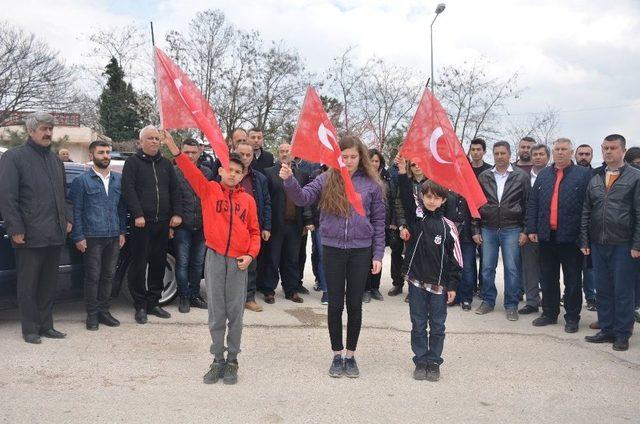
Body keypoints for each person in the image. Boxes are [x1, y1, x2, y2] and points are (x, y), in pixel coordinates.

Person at [281, 135, 385, 378]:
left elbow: (379, 221)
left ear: (361, 158)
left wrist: (378, 253)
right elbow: (302, 197)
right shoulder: (326, 178)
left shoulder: (372, 185)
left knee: (355, 305)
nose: (348, 161)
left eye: (353, 157)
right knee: (335, 304)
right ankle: (337, 354)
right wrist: (289, 181)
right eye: (344, 157)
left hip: (361, 250)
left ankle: (351, 355)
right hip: (333, 249)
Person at [163, 131, 261, 385]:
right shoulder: (209, 192)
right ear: (220, 171)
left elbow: (254, 232)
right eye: (229, 169)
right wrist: (175, 149)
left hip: (239, 262)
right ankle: (218, 359)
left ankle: (233, 360)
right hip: (216, 258)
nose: (233, 174)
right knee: (217, 313)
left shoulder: (248, 201)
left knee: (236, 314)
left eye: (238, 172)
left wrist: (251, 255)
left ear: (242, 175)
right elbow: (189, 170)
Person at [0, 112, 72, 344]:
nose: (48, 133)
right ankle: (30, 329)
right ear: (31, 131)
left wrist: (68, 218)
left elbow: (65, 195)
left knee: (49, 284)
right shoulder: (14, 157)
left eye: (51, 129)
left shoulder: (55, 161)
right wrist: (16, 228)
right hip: (29, 235)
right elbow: (7, 197)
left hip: (55, 233)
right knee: (28, 284)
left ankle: (46, 326)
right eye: (43, 128)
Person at [582, 134, 640, 352]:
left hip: (624, 244)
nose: (608, 152)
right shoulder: (596, 177)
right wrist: (585, 240)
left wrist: (637, 244)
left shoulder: (635, 177)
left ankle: (622, 333)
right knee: (603, 289)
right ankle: (606, 329)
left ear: (622, 151)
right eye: (605, 148)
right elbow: (587, 211)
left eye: (613, 148)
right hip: (598, 243)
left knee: (623, 290)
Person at [526, 139, 591, 332]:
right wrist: (532, 229)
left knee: (572, 279)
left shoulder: (583, 175)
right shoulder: (544, 174)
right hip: (547, 236)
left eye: (564, 149)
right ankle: (549, 313)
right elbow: (533, 204)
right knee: (547, 278)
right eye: (557, 149)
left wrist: (584, 236)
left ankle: (572, 317)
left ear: (571, 152)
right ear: (552, 152)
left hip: (571, 237)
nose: (560, 152)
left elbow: (588, 207)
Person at [401, 179, 462, 381]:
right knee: (418, 323)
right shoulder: (417, 220)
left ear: (443, 200)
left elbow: (456, 259)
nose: (432, 201)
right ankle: (420, 360)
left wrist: (452, 285)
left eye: (436, 198)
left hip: (439, 286)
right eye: (428, 196)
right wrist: (402, 172)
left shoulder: (449, 227)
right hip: (417, 282)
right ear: (422, 197)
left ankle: (434, 361)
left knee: (437, 325)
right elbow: (405, 198)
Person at [121, 125, 182, 325]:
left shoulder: (166, 164)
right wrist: (137, 214)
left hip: (163, 223)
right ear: (141, 142)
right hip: (141, 224)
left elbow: (175, 190)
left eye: (157, 138)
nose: (155, 141)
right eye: (150, 138)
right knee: (138, 265)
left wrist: (177, 214)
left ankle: (153, 302)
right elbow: (128, 190)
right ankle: (139, 305)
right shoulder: (132, 163)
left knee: (158, 263)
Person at [69, 140, 126, 330]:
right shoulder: (81, 181)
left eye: (108, 152)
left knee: (109, 276)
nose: (106, 156)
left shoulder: (118, 180)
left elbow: (121, 208)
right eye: (101, 152)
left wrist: (121, 232)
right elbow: (76, 211)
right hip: (92, 237)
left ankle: (104, 312)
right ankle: (92, 315)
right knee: (93, 277)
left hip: (112, 236)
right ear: (91, 156)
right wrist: (78, 236)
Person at [472, 141, 529, 321]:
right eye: (496, 153)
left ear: (510, 155)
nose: (499, 156)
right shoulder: (484, 176)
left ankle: (511, 304)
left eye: (503, 153)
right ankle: (488, 301)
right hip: (488, 228)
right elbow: (476, 204)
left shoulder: (521, 176)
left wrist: (525, 230)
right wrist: (475, 228)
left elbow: (528, 204)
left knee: (512, 269)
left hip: (512, 228)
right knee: (487, 268)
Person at [261, 143, 312, 303]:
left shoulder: (302, 175)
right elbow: (266, 201)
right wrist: (266, 225)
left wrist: (307, 221)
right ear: (278, 153)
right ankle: (269, 290)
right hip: (276, 224)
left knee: (292, 259)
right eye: (281, 151)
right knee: (272, 258)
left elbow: (306, 201)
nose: (284, 154)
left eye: (287, 151)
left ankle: (291, 290)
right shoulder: (269, 173)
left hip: (295, 225)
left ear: (293, 154)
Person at [173, 139, 212, 313]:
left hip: (203, 226)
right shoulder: (174, 172)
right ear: (181, 152)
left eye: (193, 152)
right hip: (183, 225)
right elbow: (170, 198)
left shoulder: (207, 172)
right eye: (186, 152)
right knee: (182, 263)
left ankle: (195, 295)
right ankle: (184, 296)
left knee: (197, 263)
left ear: (199, 152)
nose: (190, 156)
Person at [234, 141, 272, 312]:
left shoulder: (260, 178)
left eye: (248, 155)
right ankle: (232, 298)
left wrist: (266, 227)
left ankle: (249, 298)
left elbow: (267, 203)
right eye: (241, 154)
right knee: (230, 264)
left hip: (252, 228)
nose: (245, 158)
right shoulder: (229, 175)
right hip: (230, 228)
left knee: (251, 264)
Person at [518, 143, 550, 315]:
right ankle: (531, 301)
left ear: (547, 157)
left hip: (548, 230)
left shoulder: (554, 175)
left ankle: (549, 301)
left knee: (548, 268)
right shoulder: (522, 177)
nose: (538, 157)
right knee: (529, 268)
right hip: (528, 229)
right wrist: (526, 229)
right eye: (535, 154)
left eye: (541, 154)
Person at [389, 158, 427, 302]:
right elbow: (399, 205)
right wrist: (403, 225)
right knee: (410, 258)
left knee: (423, 259)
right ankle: (407, 287)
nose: (417, 167)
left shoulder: (430, 183)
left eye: (420, 163)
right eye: (413, 164)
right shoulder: (406, 182)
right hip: (410, 225)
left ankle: (421, 289)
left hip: (426, 226)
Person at [364, 149, 393, 302]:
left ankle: (375, 287)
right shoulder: (362, 178)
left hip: (381, 224)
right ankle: (366, 289)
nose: (374, 164)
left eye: (377, 161)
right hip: (365, 224)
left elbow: (391, 200)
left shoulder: (386, 179)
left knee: (378, 255)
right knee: (366, 257)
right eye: (372, 161)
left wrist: (392, 222)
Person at [468, 138, 492, 296]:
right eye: (473, 149)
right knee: (469, 257)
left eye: (478, 149)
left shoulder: (490, 170)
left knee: (485, 258)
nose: (475, 152)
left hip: (485, 217)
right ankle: (470, 287)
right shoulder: (465, 169)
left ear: (484, 151)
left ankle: (484, 288)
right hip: (466, 216)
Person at [575, 143, 597, 311]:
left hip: (591, 228)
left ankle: (591, 297)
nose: (583, 157)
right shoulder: (569, 174)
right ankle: (570, 294)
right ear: (575, 156)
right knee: (572, 266)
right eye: (580, 154)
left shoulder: (596, 175)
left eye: (587, 154)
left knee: (589, 266)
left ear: (591, 156)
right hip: (571, 228)